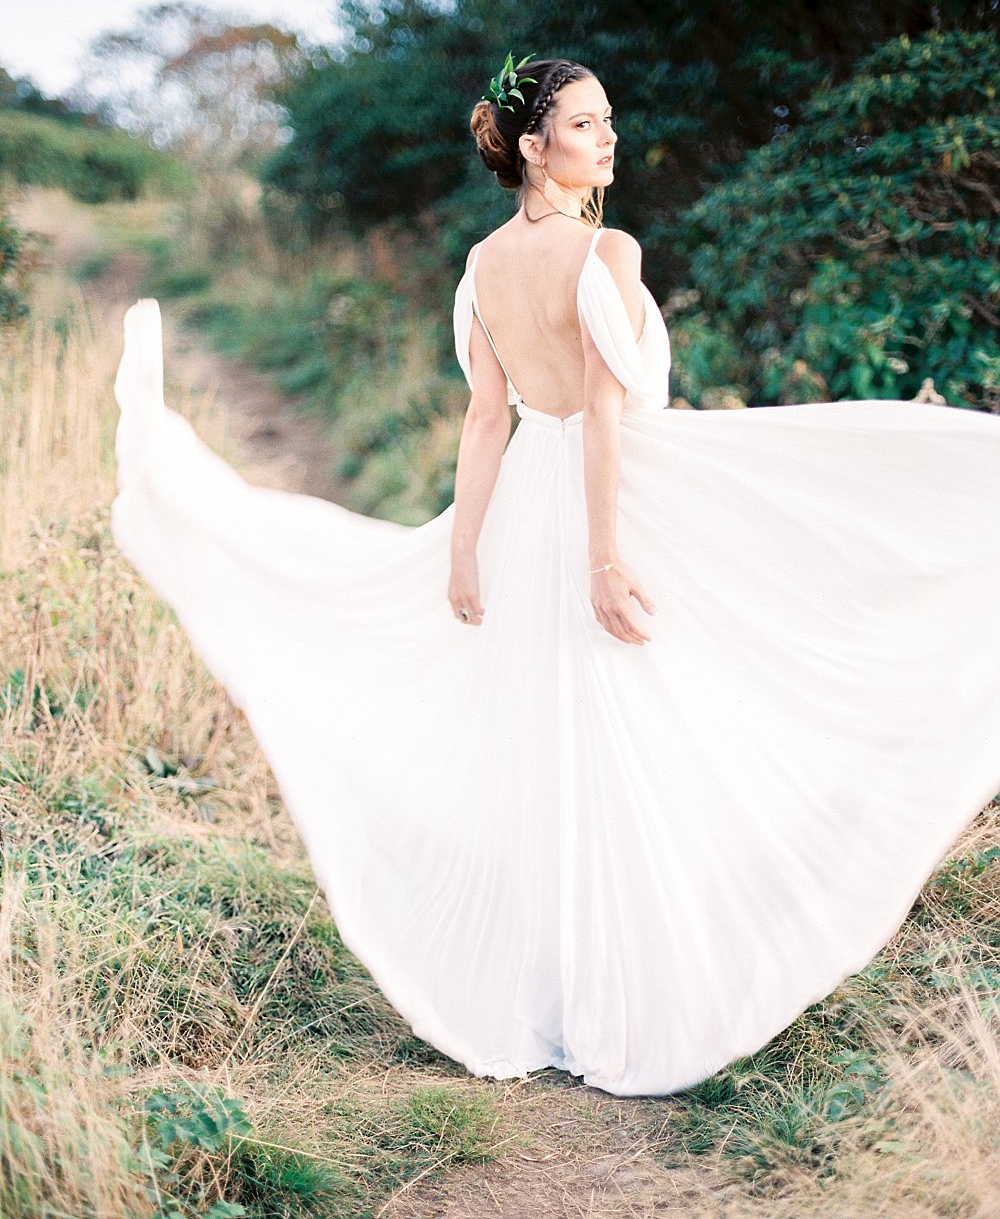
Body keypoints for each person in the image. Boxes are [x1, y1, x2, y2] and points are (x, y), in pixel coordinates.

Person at [112, 54, 1000, 1098]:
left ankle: (565, 989)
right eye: (585, 124)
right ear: (534, 146)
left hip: (534, 497)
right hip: (611, 498)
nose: (607, 138)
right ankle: (628, 988)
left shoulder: (481, 265)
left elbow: (490, 423)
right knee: (657, 714)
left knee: (563, 732)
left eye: (608, 119)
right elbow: (606, 413)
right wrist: (605, 555)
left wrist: (465, 542)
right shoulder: (606, 250)